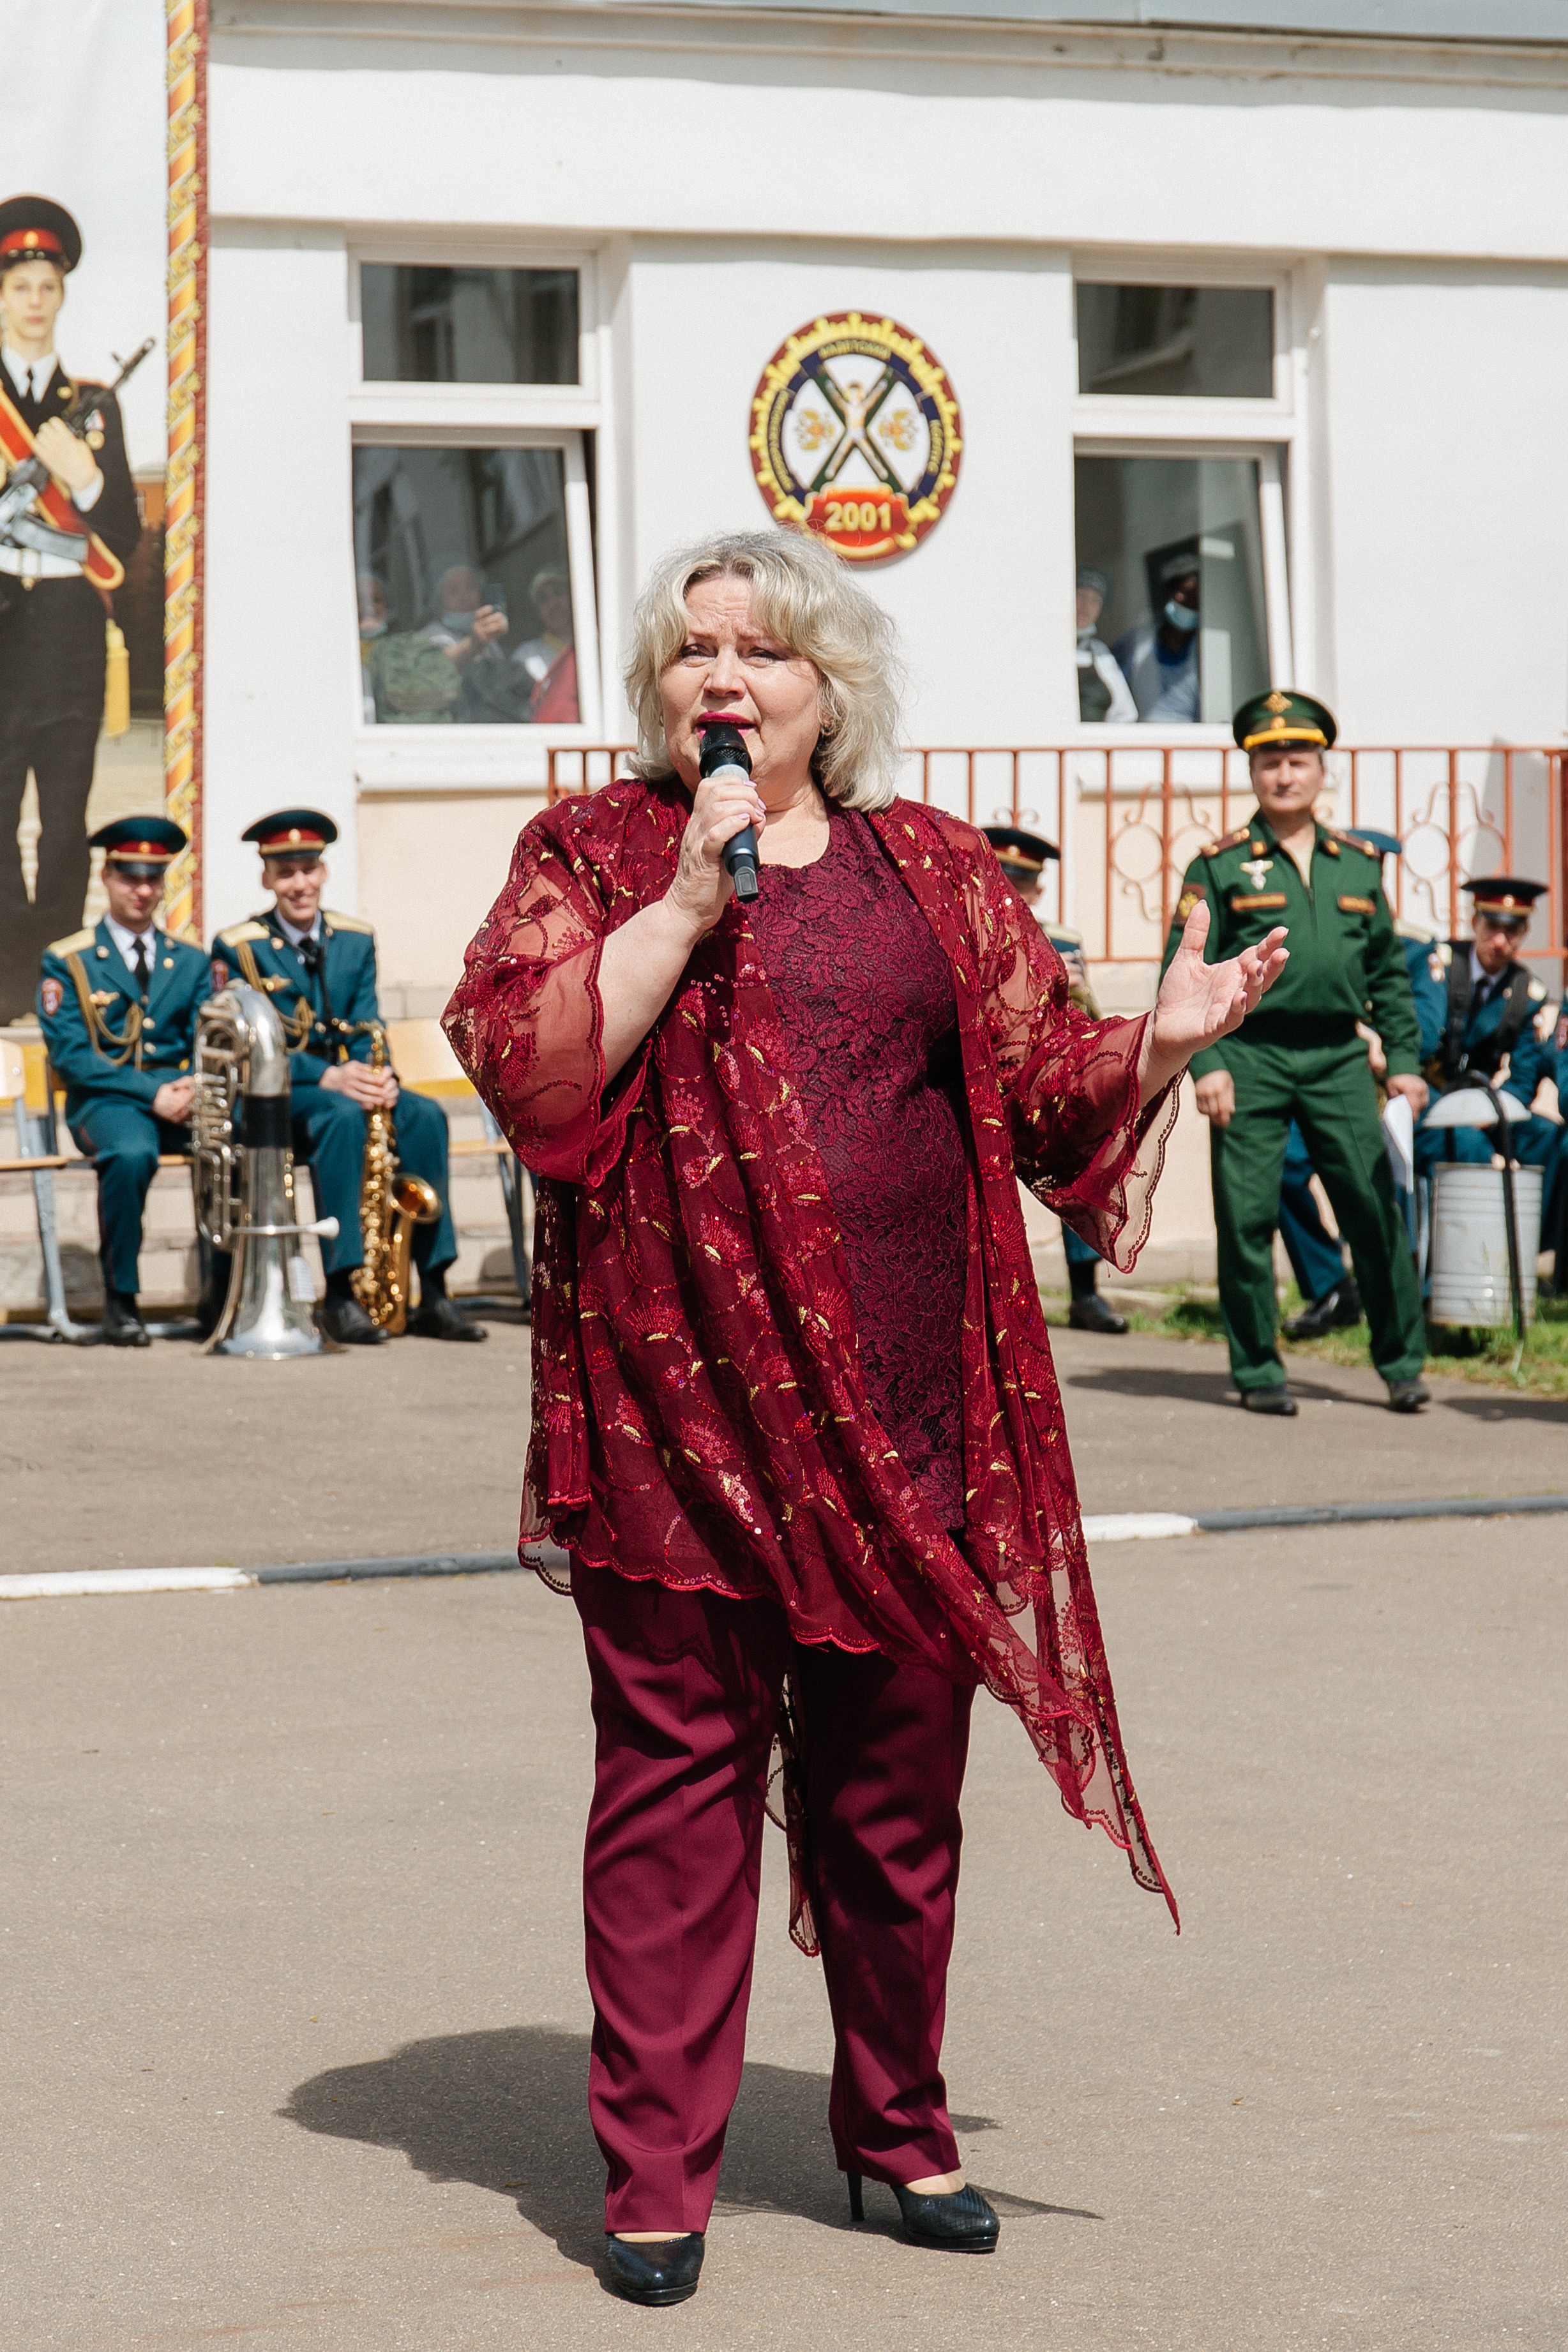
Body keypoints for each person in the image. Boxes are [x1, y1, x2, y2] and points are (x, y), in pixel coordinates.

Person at [444, 528, 1286, 2307]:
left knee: (897, 1800)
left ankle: (897, 2127)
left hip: (910, 1419)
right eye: (692, 654)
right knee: (670, 1795)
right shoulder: (592, 852)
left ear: (836, 691)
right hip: (679, 1418)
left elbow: (1038, 1080)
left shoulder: (935, 868)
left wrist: (1156, 1038)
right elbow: (529, 1066)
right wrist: (681, 902)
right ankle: (659, 2174)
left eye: (762, 653)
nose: (722, 680)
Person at [1163, 690, 1429, 1416]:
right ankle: (1256, 1372)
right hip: (1247, 1055)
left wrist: (1403, 1061)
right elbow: (1182, 976)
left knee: (1373, 1209)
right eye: (1270, 762)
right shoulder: (1216, 867)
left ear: (1320, 771)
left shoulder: (1357, 866)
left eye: (1297, 761)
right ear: (1253, 773)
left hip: (1339, 1061)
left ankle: (1401, 1361)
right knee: (1245, 1218)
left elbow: (1387, 976)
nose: (1284, 775)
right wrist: (1207, 1064)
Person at [209, 808, 482, 1346]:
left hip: (352, 1081)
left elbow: (365, 1020)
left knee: (425, 1117)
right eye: (285, 873)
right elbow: (244, 1045)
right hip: (284, 1092)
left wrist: (382, 1078)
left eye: (309, 869)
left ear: (324, 872)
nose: (300, 884)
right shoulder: (238, 947)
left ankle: (434, 1287)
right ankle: (340, 1292)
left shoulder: (356, 940)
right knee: (339, 1119)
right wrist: (329, 1076)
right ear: (266, 878)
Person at [0, 196, 142, 1019]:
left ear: (61, 297)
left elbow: (122, 527)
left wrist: (79, 475)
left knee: (62, 828)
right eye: (21, 285)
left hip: (66, 639)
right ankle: (5, 983)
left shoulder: (94, 403)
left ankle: (52, 985)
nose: (33, 300)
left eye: (46, 285)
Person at [35, 817, 210, 1346]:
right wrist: (151, 1093)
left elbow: (208, 1040)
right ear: (107, 876)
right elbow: (72, 1057)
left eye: (154, 879)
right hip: (105, 1103)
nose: (143, 891)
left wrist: (193, 1087)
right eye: (131, 877)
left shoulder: (193, 960)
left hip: (179, 1098)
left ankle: (227, 1292)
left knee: (241, 1139)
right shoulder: (67, 960)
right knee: (132, 1153)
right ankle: (122, 1299)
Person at [983, 824, 1127, 1332]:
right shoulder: (960, 931)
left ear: (1037, 891)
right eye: (1002, 878)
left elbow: (1086, 1019)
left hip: (1041, 1076)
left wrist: (1077, 989)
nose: (1011, 893)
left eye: (1021, 884)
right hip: (979, 1077)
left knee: (1080, 1169)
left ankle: (1085, 1293)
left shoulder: (1063, 939)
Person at [1412, 877, 1555, 1180]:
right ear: (1475, 922)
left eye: (1512, 931)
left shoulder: (1527, 995)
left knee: (1549, 1138)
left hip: (1484, 1105)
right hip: (1428, 1095)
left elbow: (1524, 1079)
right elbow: (1417, 1043)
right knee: (1468, 1144)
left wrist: (1485, 1112)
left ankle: (1544, 1229)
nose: (1500, 941)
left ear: (1525, 933)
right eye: (1492, 927)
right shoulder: (1441, 966)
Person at [1113, 549, 1200, 724]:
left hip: (1195, 744)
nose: (1188, 602)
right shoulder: (1136, 642)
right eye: (1181, 593)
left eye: (1194, 596)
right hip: (1143, 743)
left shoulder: (1208, 646)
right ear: (1167, 595)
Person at [1073, 566, 1136, 724]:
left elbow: (1125, 714)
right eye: (1080, 595)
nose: (1086, 606)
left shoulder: (1100, 652)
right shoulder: (1045, 646)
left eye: (1095, 601)